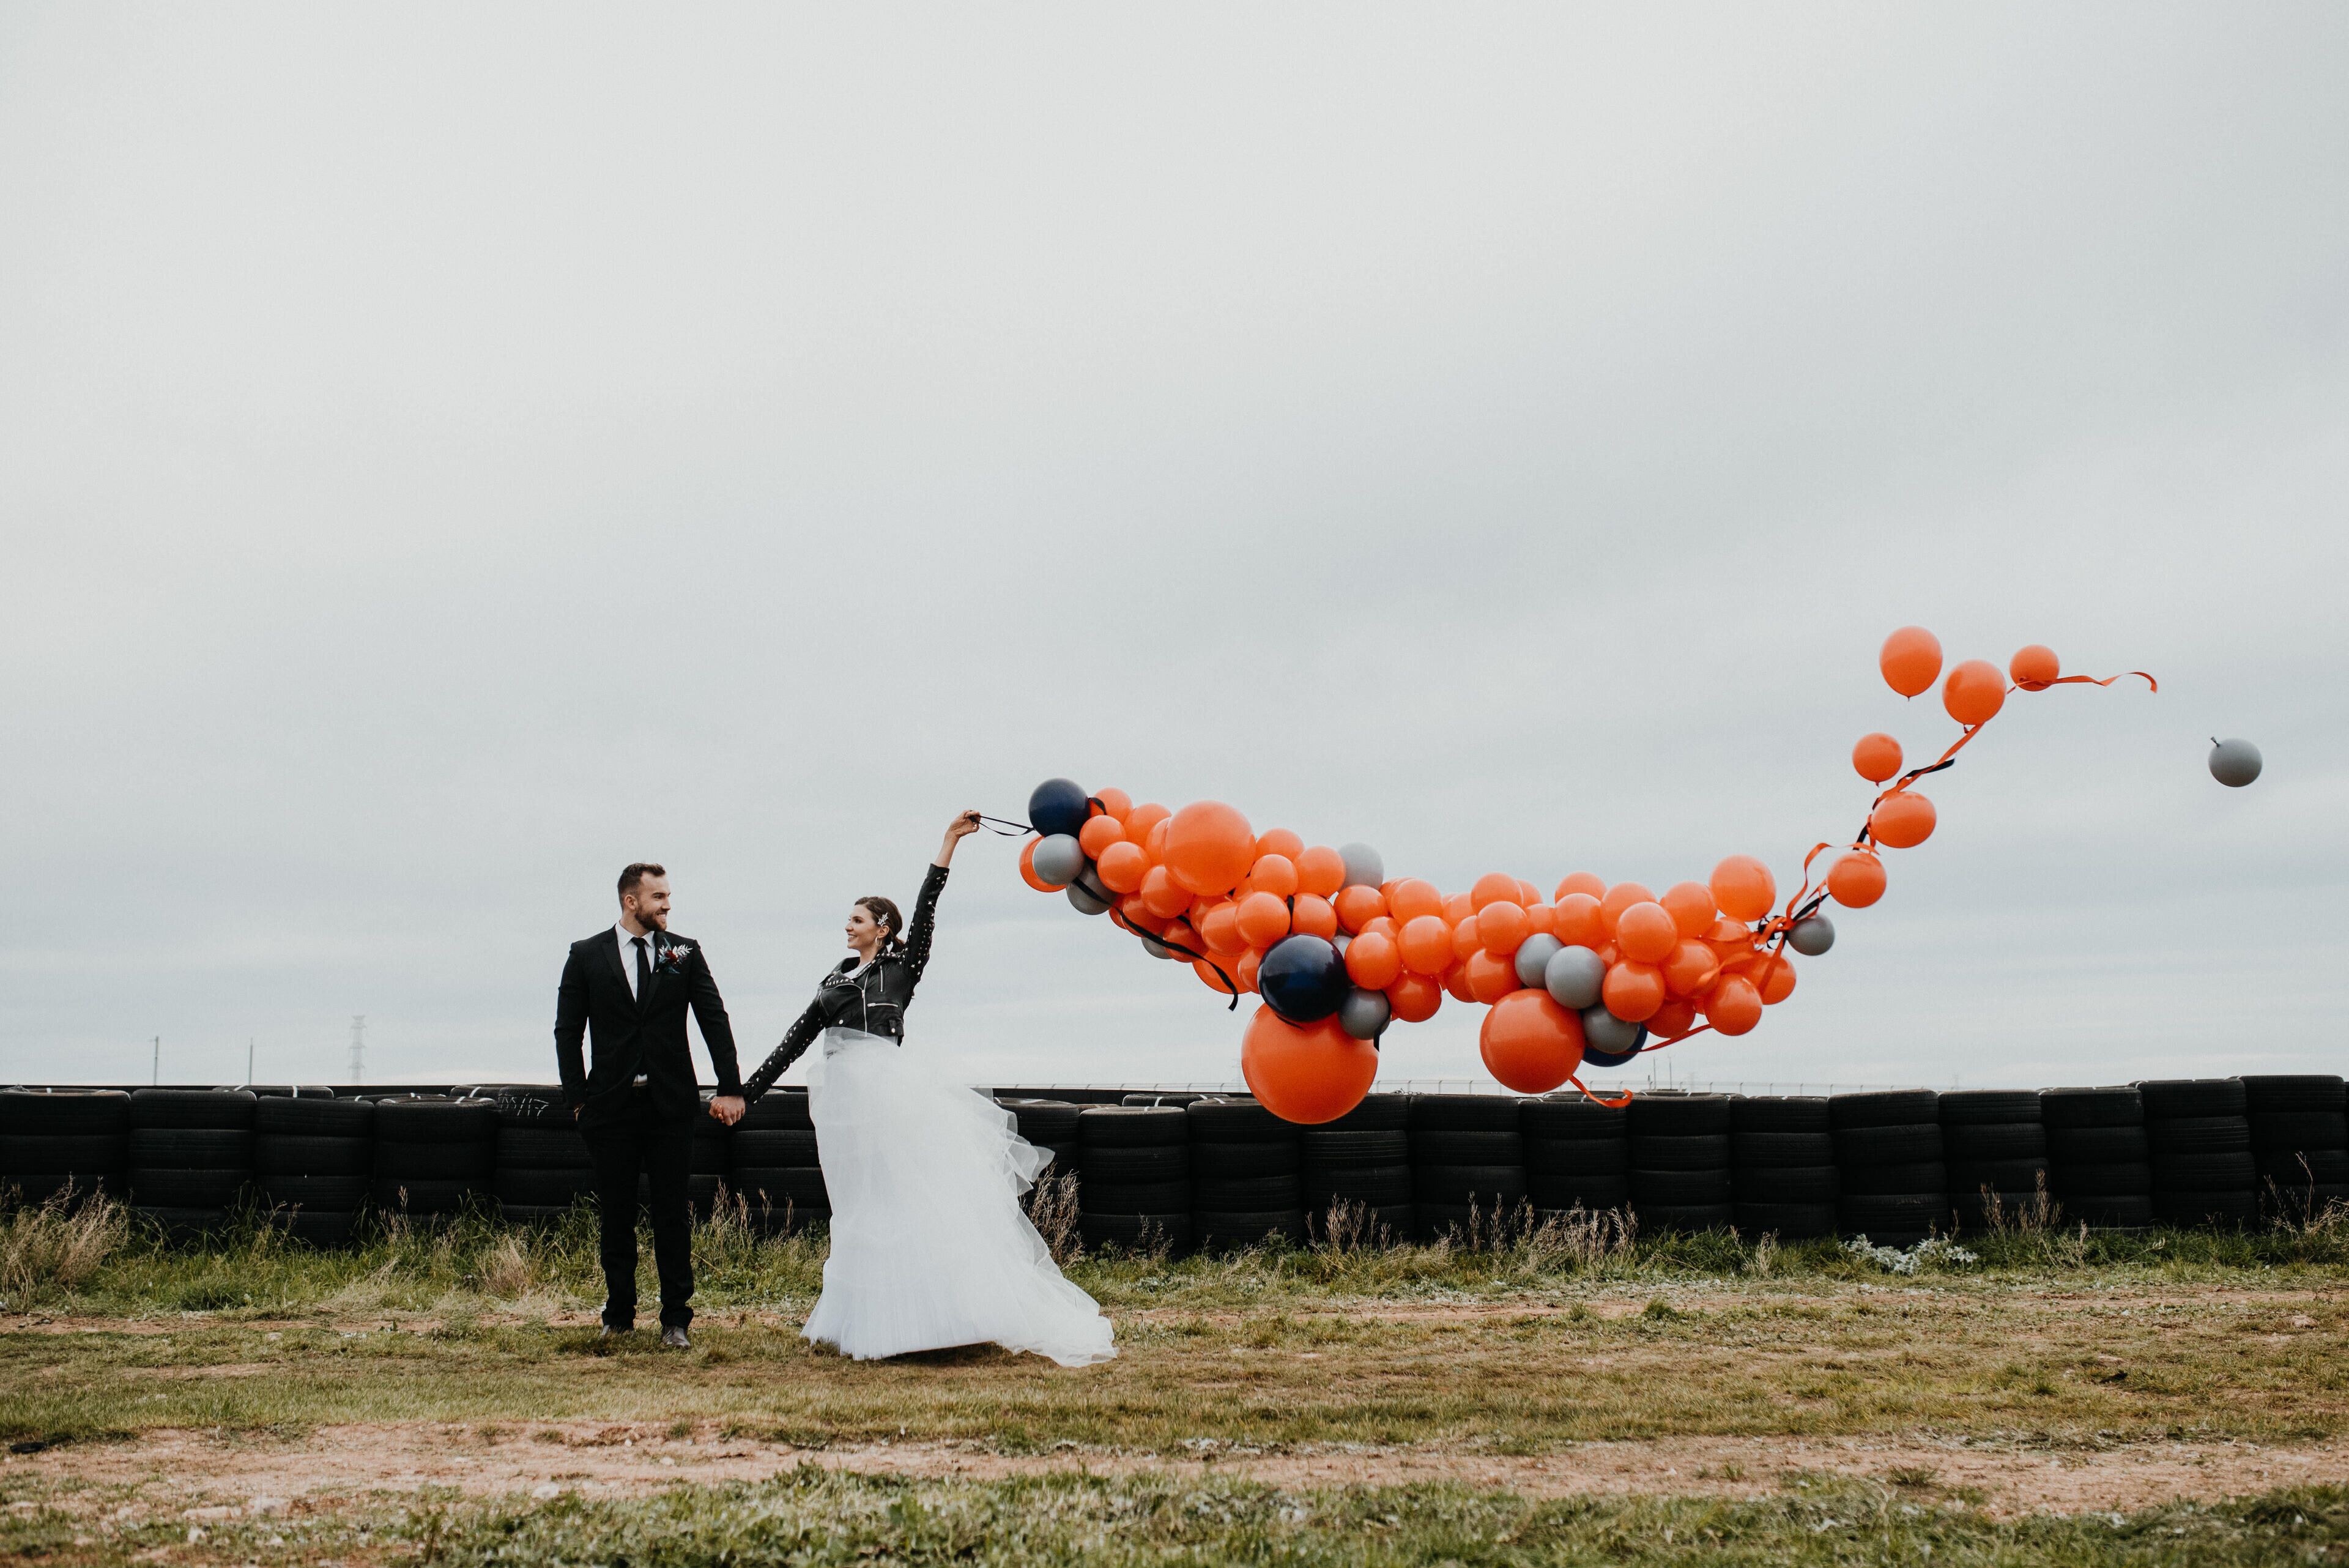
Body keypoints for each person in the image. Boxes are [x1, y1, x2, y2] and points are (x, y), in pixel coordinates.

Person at [743, 810, 1115, 1367]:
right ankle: (859, 1317)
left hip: (891, 1100)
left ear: (882, 928)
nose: (848, 926)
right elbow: (795, 1039)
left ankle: (934, 1316)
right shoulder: (833, 983)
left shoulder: (902, 969)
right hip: (843, 1109)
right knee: (859, 1207)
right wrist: (745, 1093)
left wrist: (948, 844)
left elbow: (926, 909)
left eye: (857, 918)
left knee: (904, 1198)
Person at [554, 862, 745, 1348]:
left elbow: (713, 1019)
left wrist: (731, 1086)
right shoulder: (585, 955)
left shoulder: (683, 951)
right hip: (610, 1109)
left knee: (671, 1214)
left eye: (668, 897)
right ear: (630, 901)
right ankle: (618, 1315)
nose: (667, 905)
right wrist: (578, 1101)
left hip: (671, 1107)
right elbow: (567, 1032)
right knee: (615, 1214)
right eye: (658, 897)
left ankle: (676, 1320)